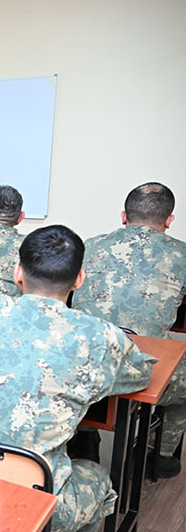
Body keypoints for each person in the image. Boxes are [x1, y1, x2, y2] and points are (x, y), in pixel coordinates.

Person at [0, 225, 154, 532]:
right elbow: (139, 375)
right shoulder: (99, 337)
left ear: (17, 272)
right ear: (79, 279)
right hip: (31, 501)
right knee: (100, 481)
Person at [72, 182, 186, 477]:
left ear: (124, 216)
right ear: (169, 220)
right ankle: (153, 455)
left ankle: (84, 440)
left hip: (85, 366)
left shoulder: (90, 245)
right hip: (142, 370)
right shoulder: (181, 254)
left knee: (88, 349)